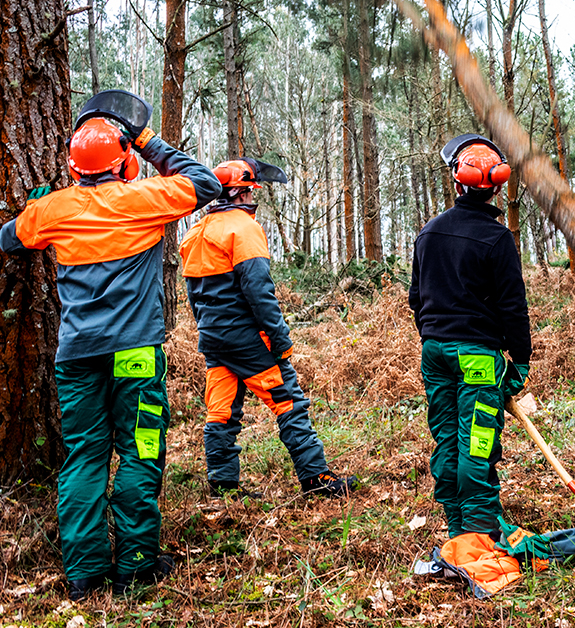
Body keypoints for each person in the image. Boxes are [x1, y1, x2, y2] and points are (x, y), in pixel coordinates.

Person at [0, 102, 221, 600]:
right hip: (135, 354)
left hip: (76, 357)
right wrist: (144, 138)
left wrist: (41, 205)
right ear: (124, 161)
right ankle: (137, 564)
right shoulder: (145, 198)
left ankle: (83, 574)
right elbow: (205, 183)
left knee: (83, 458)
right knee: (140, 448)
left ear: (73, 168)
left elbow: (10, 239)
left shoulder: (53, 209)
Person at [180, 158, 358, 499]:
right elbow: (260, 292)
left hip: (213, 338)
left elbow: (193, 295)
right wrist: (280, 339)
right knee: (288, 402)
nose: (252, 200)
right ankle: (315, 477)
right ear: (237, 193)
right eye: (249, 193)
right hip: (246, 338)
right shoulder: (243, 229)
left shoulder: (194, 233)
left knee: (221, 411)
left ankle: (223, 486)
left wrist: (208, 330)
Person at [409, 134, 531, 540]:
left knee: (446, 438)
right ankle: (479, 533)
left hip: (435, 351)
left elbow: (416, 298)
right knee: (477, 442)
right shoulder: (497, 239)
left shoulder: (428, 233)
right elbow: (513, 306)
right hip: (477, 354)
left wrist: (433, 337)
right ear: (496, 186)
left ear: (456, 182)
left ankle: (457, 528)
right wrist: (522, 358)